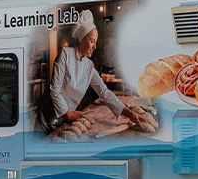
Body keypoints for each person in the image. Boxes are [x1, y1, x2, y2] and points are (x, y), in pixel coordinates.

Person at [47, 9, 154, 138]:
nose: (95, 46)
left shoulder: (88, 66)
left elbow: (105, 93)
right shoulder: (65, 55)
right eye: (92, 41)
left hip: (67, 119)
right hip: (49, 117)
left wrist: (129, 113)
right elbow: (54, 90)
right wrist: (68, 114)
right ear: (82, 39)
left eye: (95, 42)